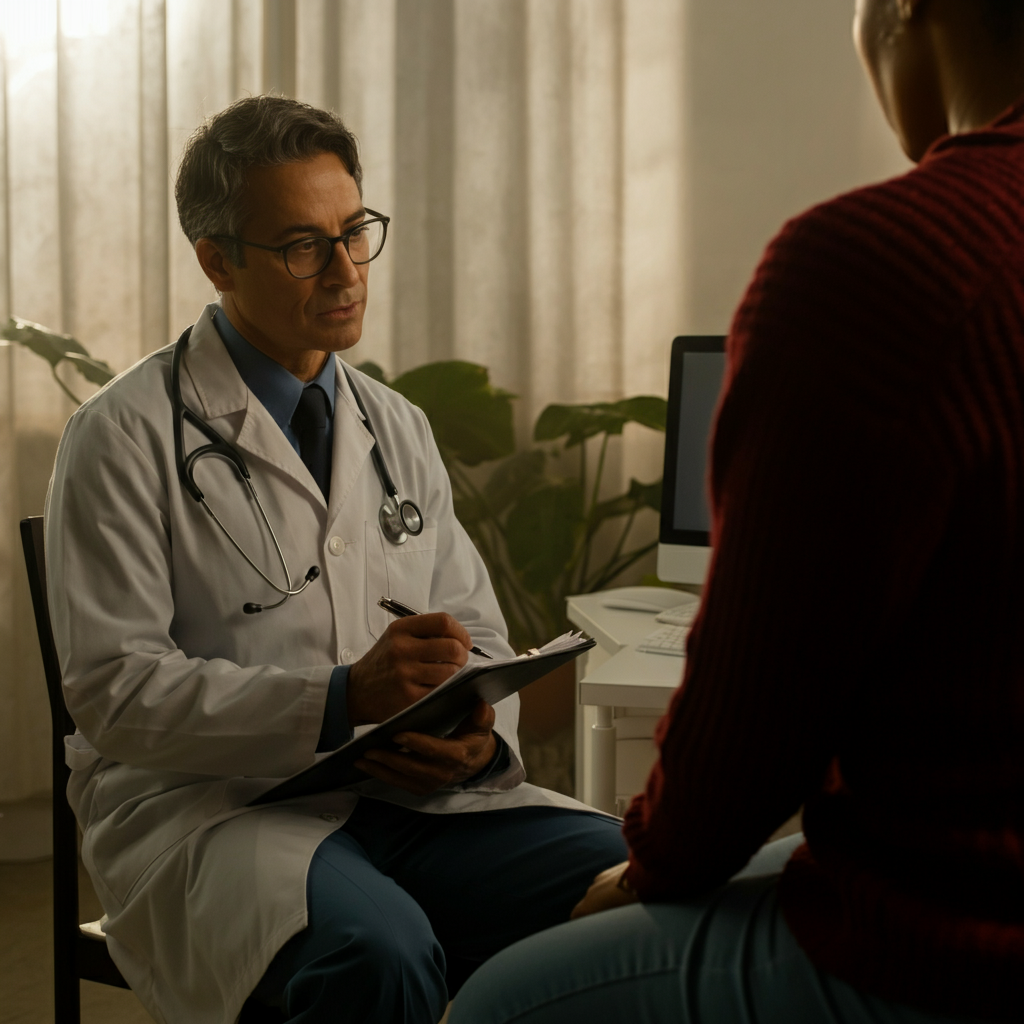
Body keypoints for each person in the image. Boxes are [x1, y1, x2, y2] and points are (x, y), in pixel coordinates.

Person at [449, 0, 1024, 1021]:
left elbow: (752, 726)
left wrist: (644, 873)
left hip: (962, 940)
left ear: (902, 10)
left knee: (502, 999)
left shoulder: (881, 262)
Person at [44, 95, 626, 1024]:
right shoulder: (120, 435)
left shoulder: (395, 425)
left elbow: (473, 631)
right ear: (216, 259)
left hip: (404, 799)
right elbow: (115, 693)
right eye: (303, 245)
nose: (347, 270)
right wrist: (344, 700)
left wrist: (473, 745)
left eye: (354, 231)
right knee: (378, 954)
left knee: (636, 878)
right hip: (214, 809)